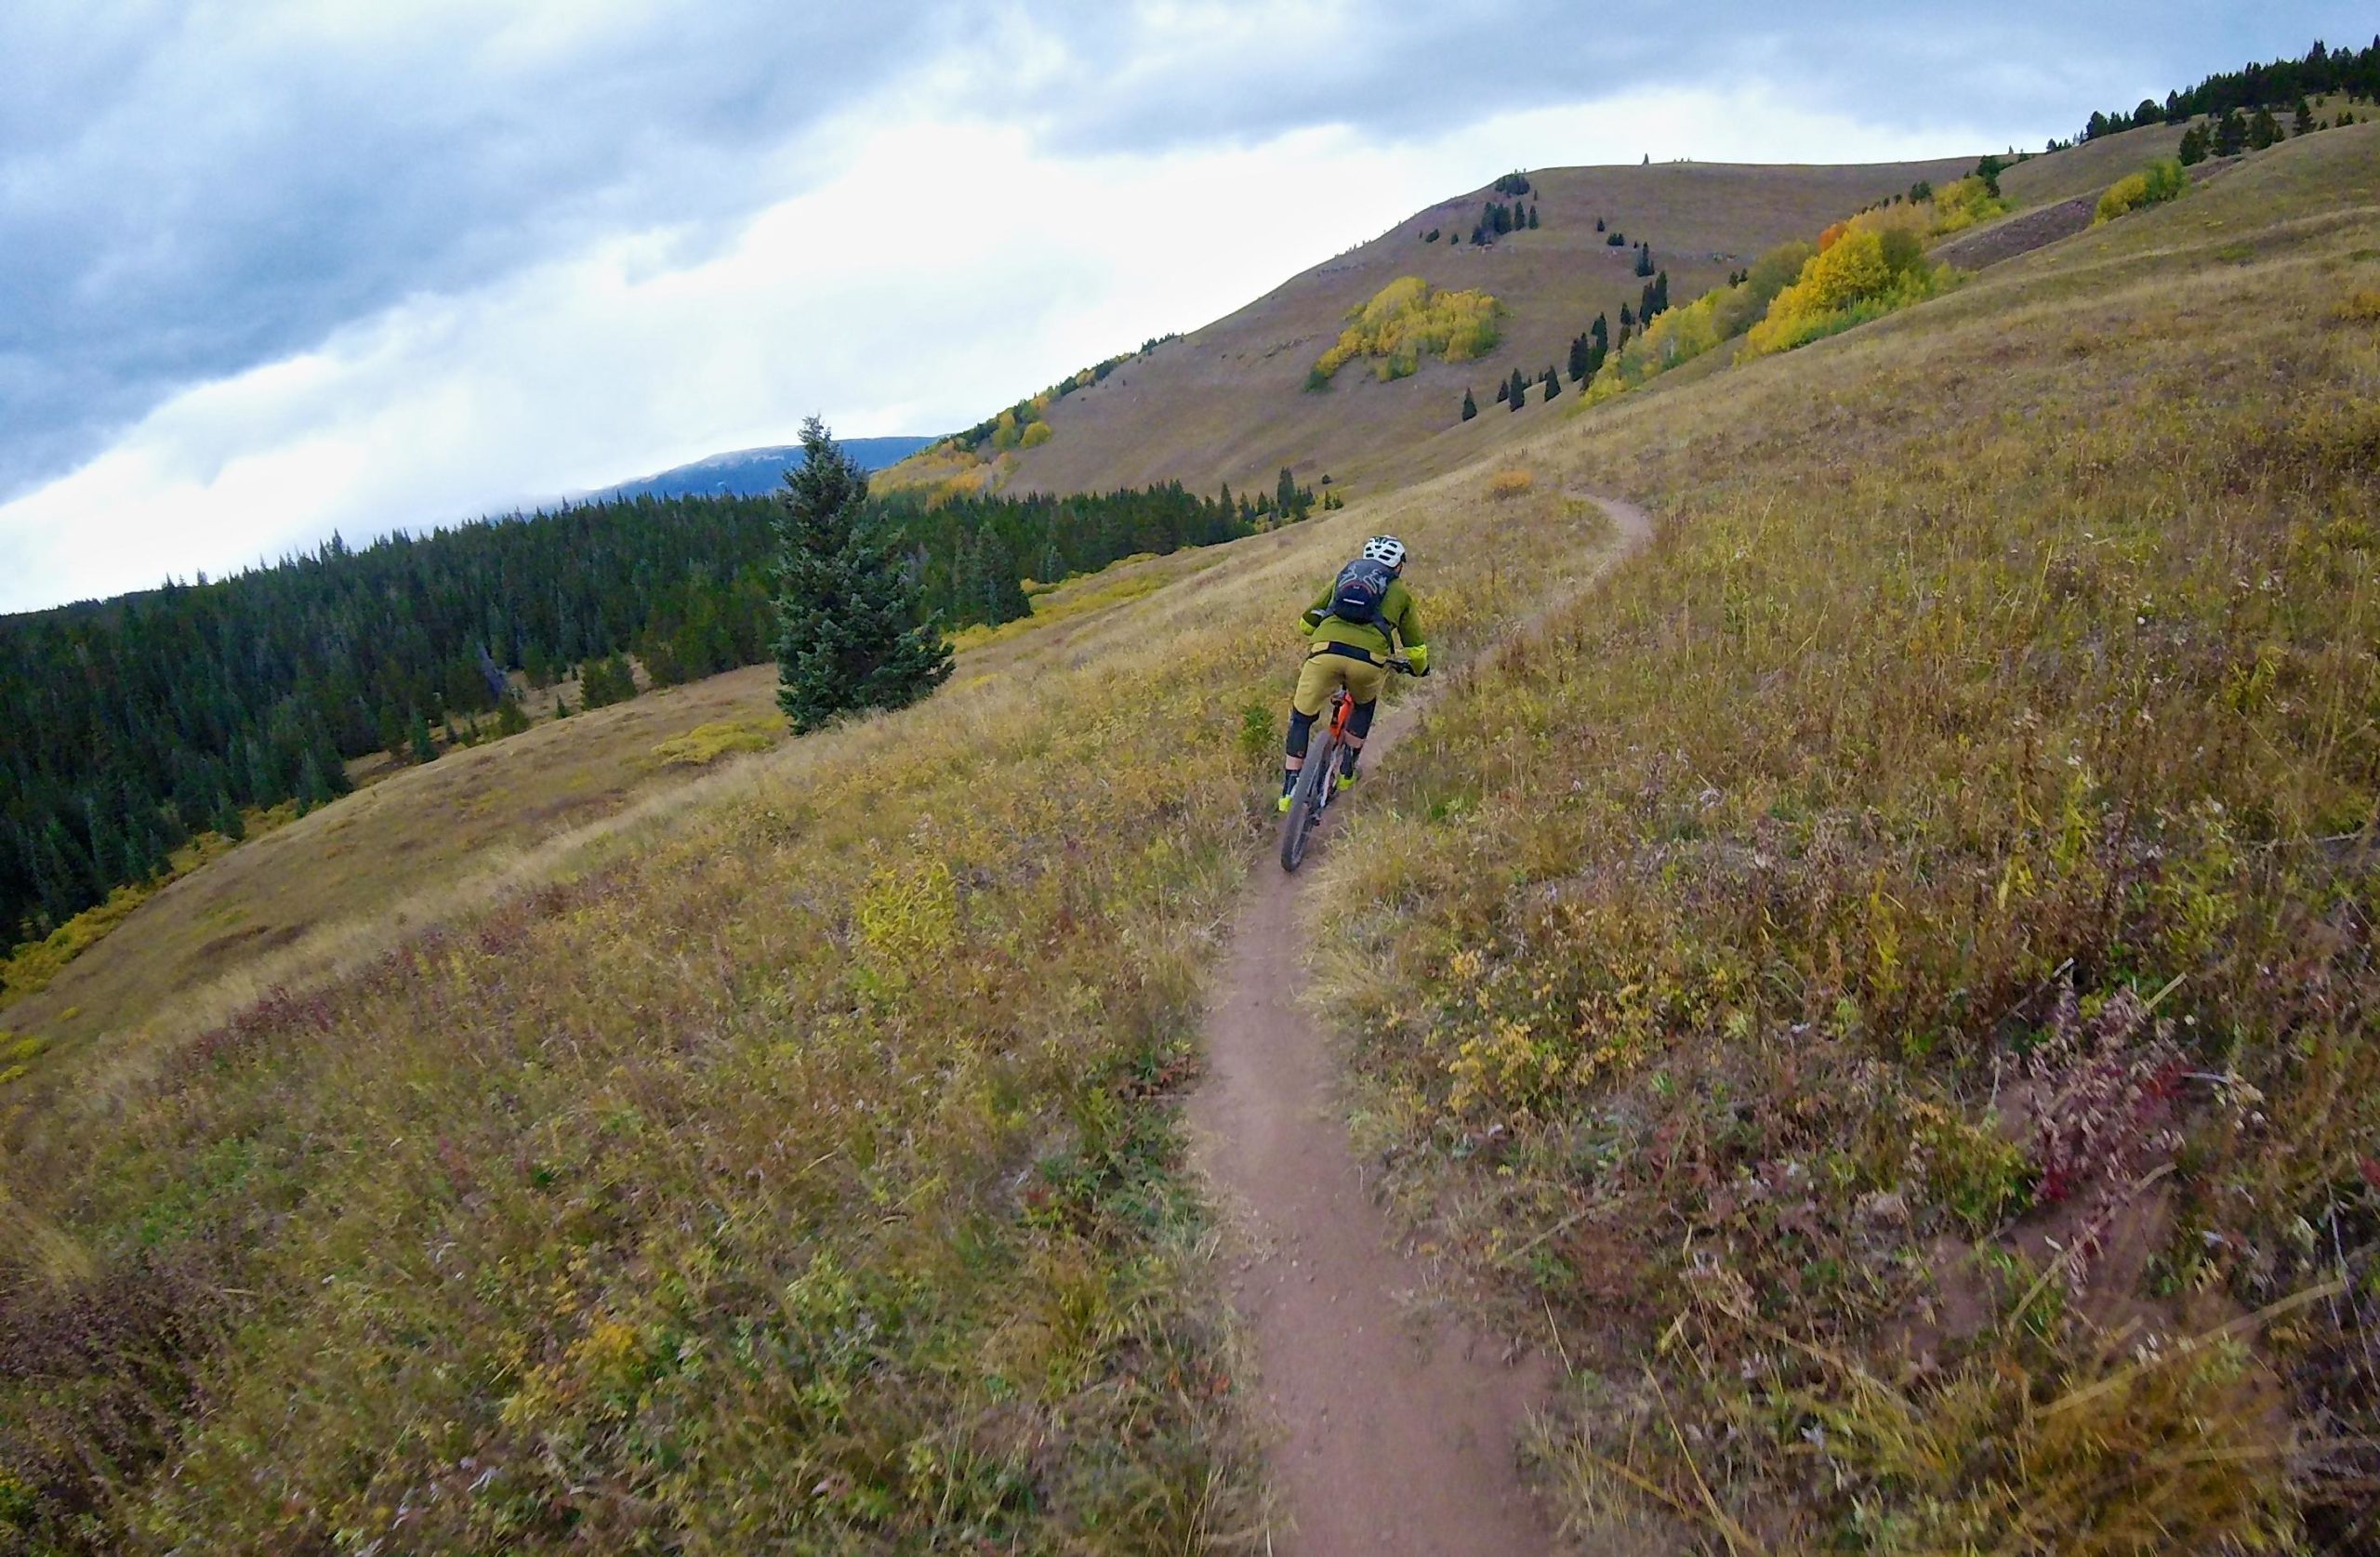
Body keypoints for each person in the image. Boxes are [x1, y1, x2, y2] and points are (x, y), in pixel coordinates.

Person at [1279, 534, 1429, 811]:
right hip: (1368, 661)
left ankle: (1289, 790)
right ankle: (1347, 773)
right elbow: (1415, 646)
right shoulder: (1400, 592)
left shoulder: (1344, 575)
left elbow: (1306, 622)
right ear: (1399, 566)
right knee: (1363, 705)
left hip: (1325, 652)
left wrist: (1322, 632)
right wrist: (1420, 670)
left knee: (1301, 718)